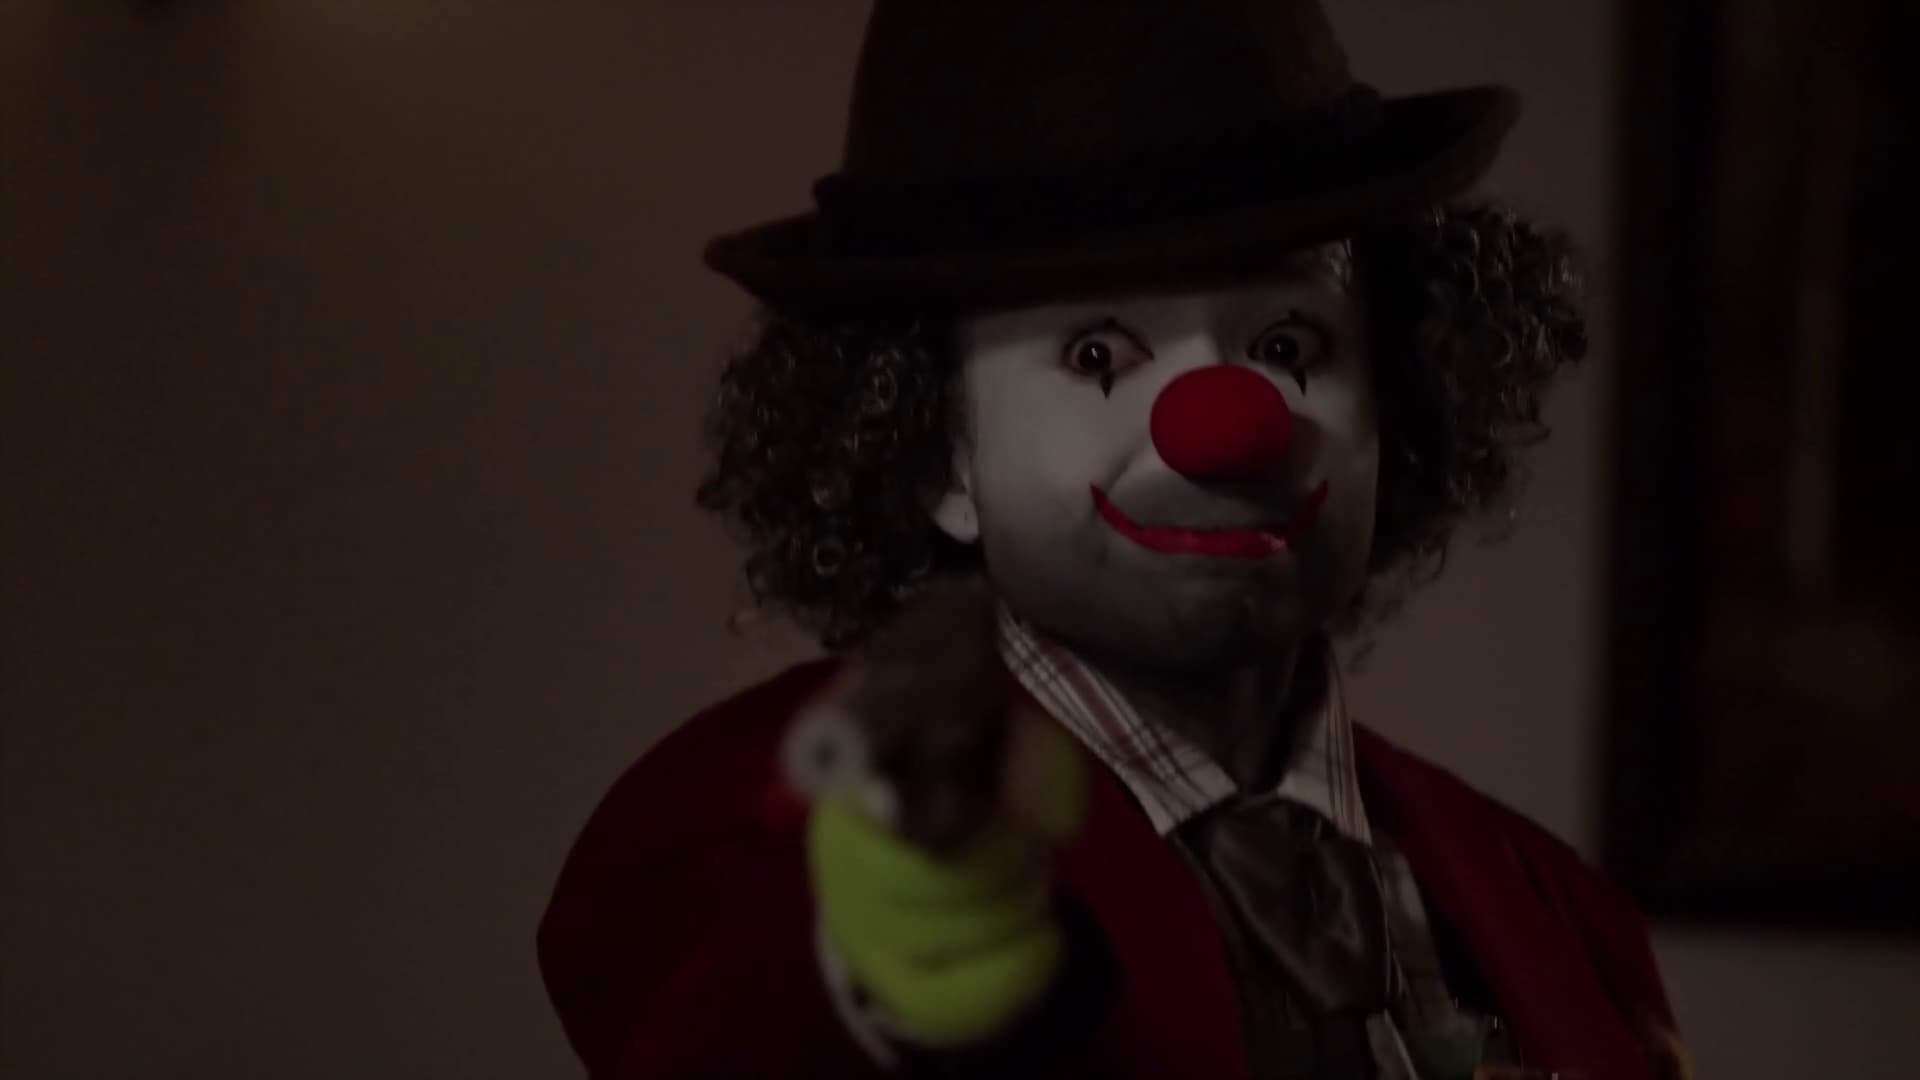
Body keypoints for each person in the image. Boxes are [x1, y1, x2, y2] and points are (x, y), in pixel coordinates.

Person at [538, 2, 1687, 1077]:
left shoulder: (1556, 917)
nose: (1223, 425)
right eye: (1097, 356)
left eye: (1289, 344)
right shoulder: (776, 875)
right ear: (942, 458)